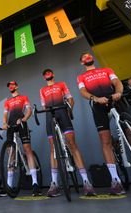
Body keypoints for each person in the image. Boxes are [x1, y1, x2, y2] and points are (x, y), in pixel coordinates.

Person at [40, 69, 96, 197]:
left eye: (49, 72)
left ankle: (86, 182)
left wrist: (70, 111)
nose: (47, 74)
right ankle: (54, 183)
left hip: (62, 113)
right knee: (53, 149)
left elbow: (71, 99)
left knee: (72, 145)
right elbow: (43, 106)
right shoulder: (42, 90)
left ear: (53, 74)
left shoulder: (62, 84)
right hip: (50, 115)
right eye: (45, 74)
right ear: (44, 77)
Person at [77, 52, 126, 195]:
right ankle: (115, 180)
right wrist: (95, 98)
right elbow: (83, 91)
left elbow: (117, 82)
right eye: (84, 57)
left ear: (92, 59)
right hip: (98, 105)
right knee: (105, 141)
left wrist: (118, 92)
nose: (87, 57)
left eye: (88, 55)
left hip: (115, 100)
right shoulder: (81, 77)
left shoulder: (106, 70)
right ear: (82, 62)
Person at [0, 81, 41, 197]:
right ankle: (9, 186)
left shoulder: (24, 97)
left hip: (21, 124)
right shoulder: (7, 102)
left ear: (16, 86)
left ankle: (35, 184)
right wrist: (4, 123)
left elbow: (29, 110)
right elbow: (5, 114)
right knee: (11, 154)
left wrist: (24, 119)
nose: (11, 86)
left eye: (12, 84)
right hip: (11, 126)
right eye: (9, 85)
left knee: (27, 149)